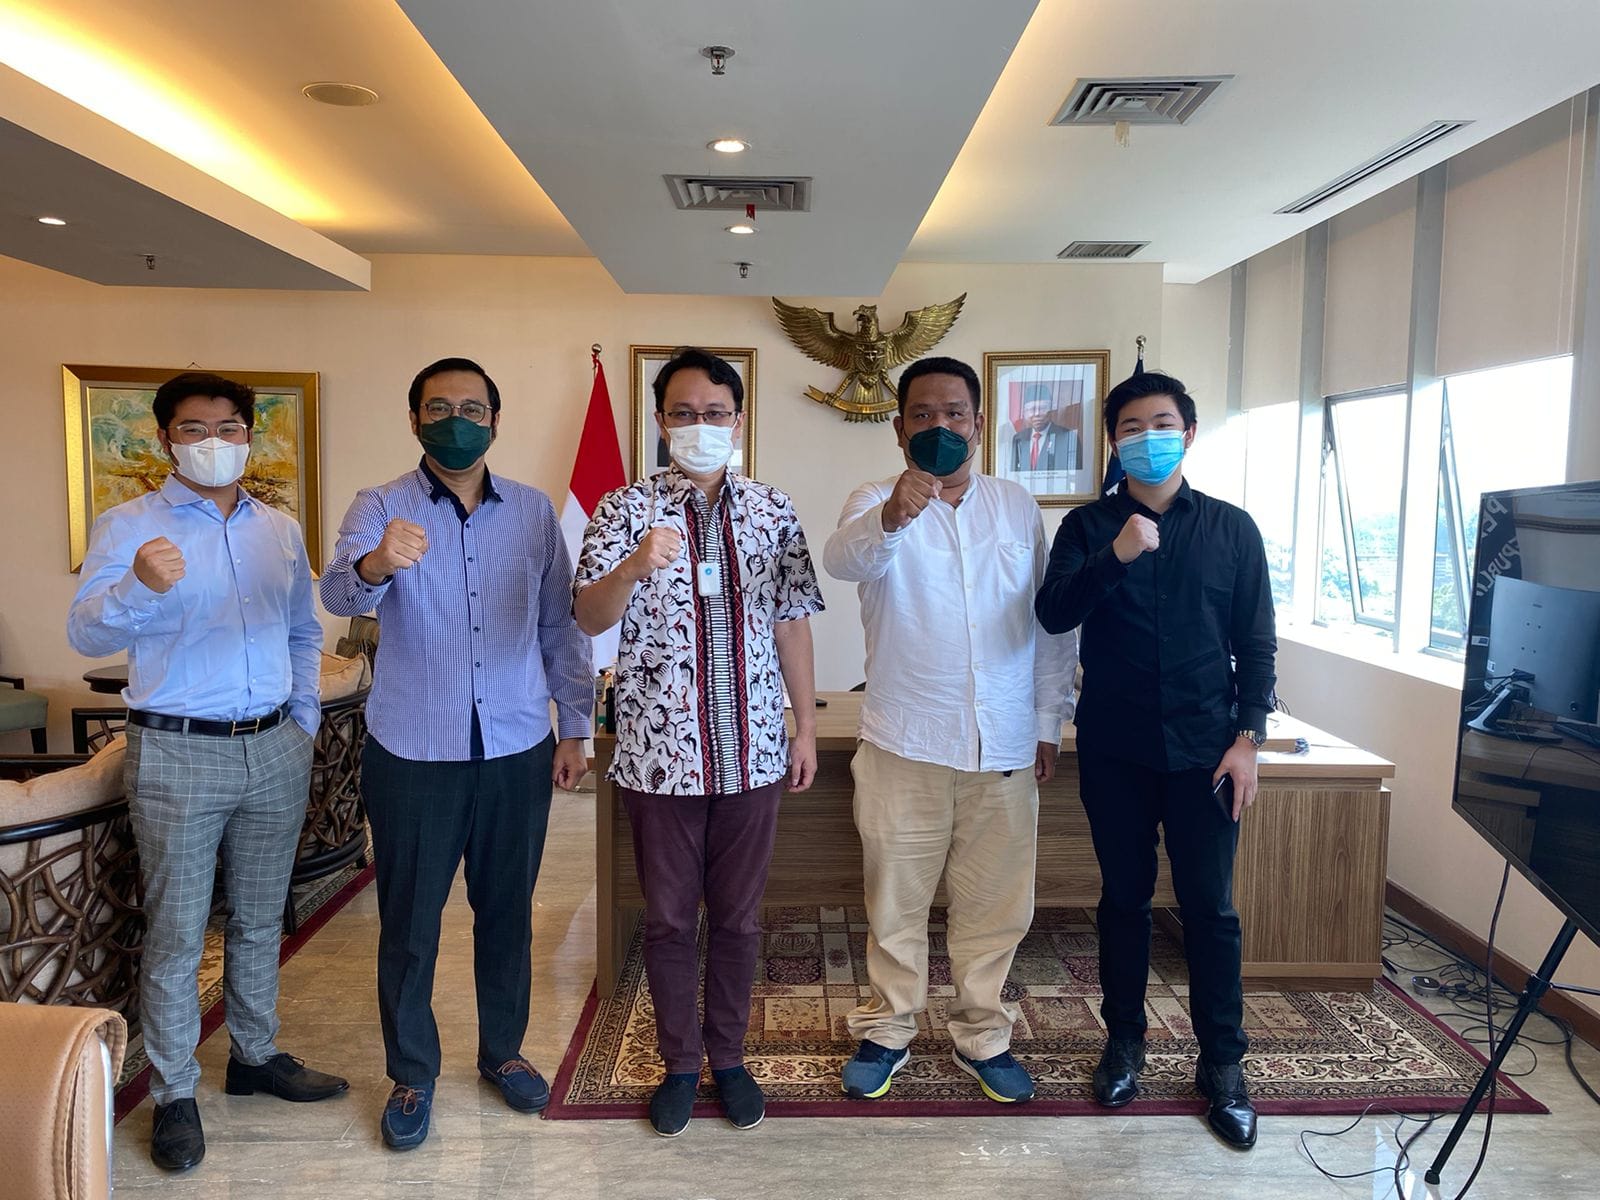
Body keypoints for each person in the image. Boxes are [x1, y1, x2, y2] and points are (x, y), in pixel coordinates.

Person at [67, 372, 346, 1173]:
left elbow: (302, 630)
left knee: (260, 917)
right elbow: (86, 635)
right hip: (178, 749)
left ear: (249, 436)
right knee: (179, 931)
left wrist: (302, 720)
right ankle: (174, 1091)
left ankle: (254, 1054)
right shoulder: (129, 526)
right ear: (165, 439)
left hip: (273, 745)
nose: (213, 443)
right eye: (194, 429)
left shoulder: (278, 529)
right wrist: (136, 586)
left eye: (229, 428)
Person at [320, 357, 591, 1150]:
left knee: (507, 915)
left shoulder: (533, 511)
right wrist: (376, 563)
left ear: (496, 421)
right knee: (409, 924)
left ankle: (503, 1052)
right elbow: (337, 594)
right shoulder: (381, 505)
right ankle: (412, 1071)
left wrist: (574, 723)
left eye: (473, 408)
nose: (456, 420)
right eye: (438, 408)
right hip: (413, 750)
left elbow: (558, 624)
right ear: (414, 421)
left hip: (515, 744)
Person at [574, 347, 824, 1138]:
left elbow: (792, 622)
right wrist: (632, 567)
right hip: (659, 755)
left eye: (715, 413)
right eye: (683, 412)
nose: (700, 425)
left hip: (753, 749)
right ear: (660, 421)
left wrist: (805, 725)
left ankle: (730, 1058)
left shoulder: (773, 510)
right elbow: (587, 615)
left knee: (741, 920)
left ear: (738, 422)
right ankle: (681, 1063)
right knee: (669, 921)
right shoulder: (622, 508)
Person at [822, 355, 1077, 1105]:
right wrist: (894, 515)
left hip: (1002, 742)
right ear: (899, 428)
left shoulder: (1017, 506)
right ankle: (888, 1027)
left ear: (979, 424)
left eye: (954, 413)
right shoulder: (874, 499)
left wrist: (1047, 720)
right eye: (923, 414)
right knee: (894, 900)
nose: (940, 425)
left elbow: (1049, 624)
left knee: (997, 905)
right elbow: (842, 561)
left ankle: (983, 1033)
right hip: (905, 740)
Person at [1034, 370, 1276, 1149]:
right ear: (1113, 441)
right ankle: (1124, 1044)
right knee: (1125, 901)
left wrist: (1248, 740)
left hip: (1208, 751)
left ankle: (1223, 1065)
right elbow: (1053, 613)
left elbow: (1257, 643)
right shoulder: (1087, 527)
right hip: (1116, 748)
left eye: (1162, 424)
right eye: (1132, 427)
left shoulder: (1232, 529)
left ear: (1190, 433)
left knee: (1210, 908)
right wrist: (1116, 555)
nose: (1148, 438)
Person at [1009, 382, 1080, 473]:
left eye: (1042, 408)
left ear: (1051, 408)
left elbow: (1075, 474)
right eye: (1032, 409)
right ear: (1024, 412)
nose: (1037, 413)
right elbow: (1014, 474)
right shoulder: (1018, 439)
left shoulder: (1068, 437)